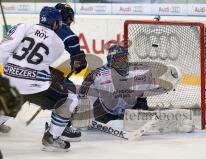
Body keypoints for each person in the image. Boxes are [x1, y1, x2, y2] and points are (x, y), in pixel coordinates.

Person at [0, 6, 78, 151]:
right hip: (36, 87)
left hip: (9, 81)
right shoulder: (58, 43)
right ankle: (52, 138)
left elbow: (3, 49)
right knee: (71, 100)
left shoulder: (22, 26)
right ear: (55, 23)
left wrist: (9, 70)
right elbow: (44, 64)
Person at [77, 44, 182, 124]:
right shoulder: (98, 74)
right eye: (121, 58)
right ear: (112, 59)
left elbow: (153, 87)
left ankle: (141, 116)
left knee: (141, 97)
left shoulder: (136, 71)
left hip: (130, 112)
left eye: (126, 58)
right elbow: (83, 93)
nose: (125, 61)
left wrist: (169, 81)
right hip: (106, 113)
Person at [54, 3, 87, 142]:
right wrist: (79, 60)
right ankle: (61, 129)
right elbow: (75, 50)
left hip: (15, 67)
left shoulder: (38, 26)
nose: (71, 20)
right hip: (40, 72)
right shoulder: (63, 29)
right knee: (69, 91)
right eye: (70, 17)